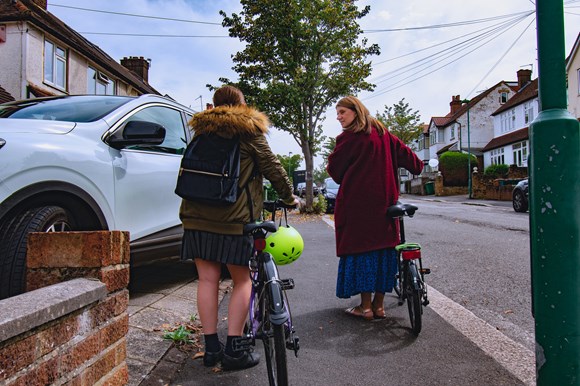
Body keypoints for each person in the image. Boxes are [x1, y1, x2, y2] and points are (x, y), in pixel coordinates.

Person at [179, 85, 299, 369]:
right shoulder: (248, 132)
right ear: (243, 106)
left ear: (214, 105)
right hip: (234, 220)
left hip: (195, 216)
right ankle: (235, 349)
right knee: (241, 280)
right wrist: (288, 196)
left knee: (206, 280)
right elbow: (273, 168)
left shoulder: (201, 132)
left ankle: (210, 349)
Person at [327, 95, 423, 321]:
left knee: (362, 254)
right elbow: (415, 163)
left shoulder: (349, 138)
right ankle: (380, 307)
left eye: (342, 112)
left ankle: (365, 307)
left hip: (357, 207)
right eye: (338, 113)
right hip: (385, 206)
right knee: (384, 253)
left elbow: (335, 172)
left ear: (356, 111)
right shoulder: (385, 134)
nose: (339, 117)